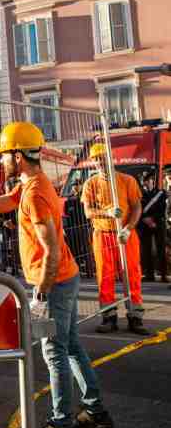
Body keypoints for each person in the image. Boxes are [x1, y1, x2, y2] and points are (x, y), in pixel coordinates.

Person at [0, 122, 113, 428]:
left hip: (54, 282)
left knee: (54, 352)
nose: (0, 161)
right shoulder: (29, 186)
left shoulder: (35, 193)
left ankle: (62, 424)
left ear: (19, 156)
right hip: (64, 278)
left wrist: (42, 290)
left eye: (4, 154)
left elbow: (50, 248)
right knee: (70, 348)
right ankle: (95, 411)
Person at [81, 143, 149, 336]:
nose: (100, 162)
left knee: (132, 274)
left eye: (103, 158)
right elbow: (87, 212)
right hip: (102, 235)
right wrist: (108, 212)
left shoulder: (127, 180)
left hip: (126, 235)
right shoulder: (90, 184)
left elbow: (136, 207)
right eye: (96, 159)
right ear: (93, 162)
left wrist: (128, 228)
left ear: (111, 159)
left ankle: (135, 316)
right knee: (105, 276)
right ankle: (108, 316)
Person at [138, 172, 167, 284]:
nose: (146, 182)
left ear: (152, 181)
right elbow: (138, 208)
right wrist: (145, 219)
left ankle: (163, 275)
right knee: (146, 250)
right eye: (144, 180)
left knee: (161, 249)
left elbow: (162, 208)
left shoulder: (161, 193)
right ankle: (149, 274)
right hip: (145, 225)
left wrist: (153, 219)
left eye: (148, 180)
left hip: (158, 223)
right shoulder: (140, 193)